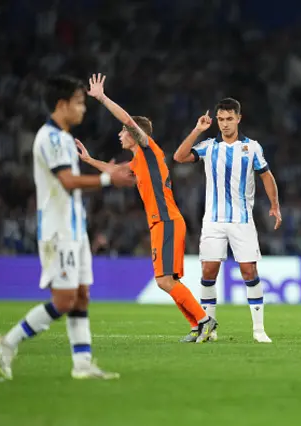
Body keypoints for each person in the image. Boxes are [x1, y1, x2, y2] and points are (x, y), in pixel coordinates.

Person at [0, 75, 134, 380]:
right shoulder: (50, 138)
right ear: (62, 104)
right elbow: (67, 182)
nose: (83, 109)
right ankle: (8, 342)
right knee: (65, 300)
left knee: (81, 296)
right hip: (58, 231)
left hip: (74, 229)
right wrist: (110, 179)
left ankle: (82, 365)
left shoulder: (66, 139)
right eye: (80, 103)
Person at [81, 73, 217, 343]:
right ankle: (198, 325)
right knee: (168, 281)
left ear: (134, 134)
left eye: (123, 132)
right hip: (161, 223)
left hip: (166, 221)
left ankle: (205, 321)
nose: (120, 135)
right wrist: (88, 159)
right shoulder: (137, 163)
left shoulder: (149, 150)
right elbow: (114, 170)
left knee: (164, 281)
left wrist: (102, 97)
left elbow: (127, 120)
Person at [173, 99, 281, 343]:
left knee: (249, 271)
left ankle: (259, 330)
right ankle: (209, 329)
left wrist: (274, 205)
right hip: (213, 221)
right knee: (208, 271)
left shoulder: (251, 147)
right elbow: (179, 157)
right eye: (220, 119)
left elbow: (266, 175)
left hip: (242, 221)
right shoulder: (209, 146)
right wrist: (198, 129)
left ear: (239, 118)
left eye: (229, 118)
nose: (224, 124)